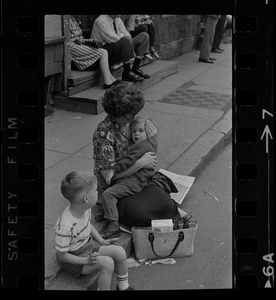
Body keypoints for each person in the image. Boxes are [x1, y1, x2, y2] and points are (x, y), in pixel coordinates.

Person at [92, 83, 193, 237]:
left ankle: (178, 219)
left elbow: (149, 157)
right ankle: (111, 219)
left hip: (139, 180)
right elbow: (108, 179)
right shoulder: (104, 134)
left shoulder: (132, 123)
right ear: (116, 112)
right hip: (119, 184)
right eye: (128, 115)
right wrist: (139, 164)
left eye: (134, 114)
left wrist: (154, 142)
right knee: (140, 215)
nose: (132, 118)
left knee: (164, 203)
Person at [54, 170, 134, 290]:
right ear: (86, 198)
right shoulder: (65, 225)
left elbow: (88, 226)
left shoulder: (85, 209)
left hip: (89, 246)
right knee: (107, 264)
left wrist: (101, 241)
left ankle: (123, 287)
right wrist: (86, 260)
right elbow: (62, 256)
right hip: (74, 260)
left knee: (120, 252)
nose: (98, 193)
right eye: (96, 190)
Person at [91, 15, 151, 82]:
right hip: (105, 54)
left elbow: (127, 34)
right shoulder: (101, 21)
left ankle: (135, 68)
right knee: (126, 40)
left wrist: (123, 37)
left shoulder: (117, 19)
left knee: (144, 36)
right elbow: (113, 39)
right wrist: (123, 37)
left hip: (116, 47)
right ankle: (127, 72)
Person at [69, 15, 120, 90]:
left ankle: (111, 79)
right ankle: (107, 82)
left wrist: (89, 41)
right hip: (70, 46)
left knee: (103, 51)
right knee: (103, 52)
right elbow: (71, 38)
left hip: (77, 44)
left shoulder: (75, 19)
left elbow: (79, 38)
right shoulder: (67, 19)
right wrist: (79, 40)